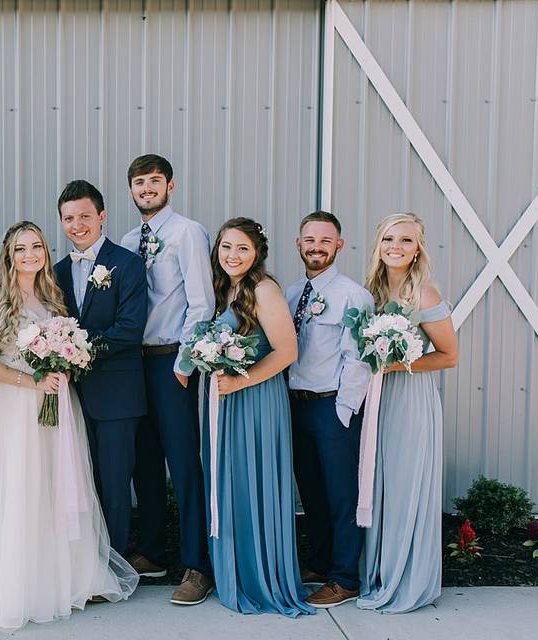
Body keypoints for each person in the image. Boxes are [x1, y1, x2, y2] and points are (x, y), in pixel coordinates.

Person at [0, 221, 138, 631]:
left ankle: (61, 579)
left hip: (55, 402)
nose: (30, 254)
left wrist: (65, 364)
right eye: (21, 249)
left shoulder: (55, 296)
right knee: (21, 488)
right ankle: (19, 586)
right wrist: (30, 380)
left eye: (36, 246)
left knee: (54, 485)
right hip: (14, 407)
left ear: (45, 253)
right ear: (9, 256)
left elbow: (71, 344)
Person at [202, 217, 313, 617]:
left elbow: (286, 352)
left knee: (252, 482)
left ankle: (259, 576)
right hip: (224, 402)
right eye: (227, 247)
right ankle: (233, 570)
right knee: (228, 483)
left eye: (242, 248)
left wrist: (239, 383)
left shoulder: (263, 289)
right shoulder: (222, 289)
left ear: (257, 253)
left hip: (255, 401)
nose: (233, 255)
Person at [120, 154, 214, 605]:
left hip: (171, 361)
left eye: (154, 181)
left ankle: (198, 564)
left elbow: (201, 303)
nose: (146, 189)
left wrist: (184, 364)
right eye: (139, 183)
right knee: (145, 461)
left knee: (183, 462)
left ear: (170, 186)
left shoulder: (187, 233)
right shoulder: (123, 240)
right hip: (132, 364)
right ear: (132, 190)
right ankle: (154, 551)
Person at [358, 212, 458, 613]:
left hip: (410, 400)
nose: (395, 247)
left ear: (419, 249)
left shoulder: (426, 296)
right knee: (378, 485)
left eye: (405, 241)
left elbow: (449, 357)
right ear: (378, 245)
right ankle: (379, 572)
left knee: (403, 487)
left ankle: (406, 580)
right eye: (388, 239)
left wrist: (395, 364)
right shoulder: (372, 291)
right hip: (377, 400)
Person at [53, 179, 147, 557]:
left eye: (85, 216)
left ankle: (114, 564)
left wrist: (76, 351)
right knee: (78, 483)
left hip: (117, 398)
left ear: (102, 216)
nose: (77, 225)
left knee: (113, 483)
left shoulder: (127, 264)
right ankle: (83, 563)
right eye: (69, 218)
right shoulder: (56, 271)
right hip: (71, 397)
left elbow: (129, 329)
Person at [285, 211, 374, 607]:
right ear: (298, 244)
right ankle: (321, 563)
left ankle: (345, 577)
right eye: (309, 239)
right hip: (296, 405)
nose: (316, 247)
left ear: (338, 245)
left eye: (325, 240)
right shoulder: (289, 295)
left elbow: (359, 359)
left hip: (333, 407)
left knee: (341, 495)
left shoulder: (353, 295)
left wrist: (344, 410)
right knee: (313, 492)